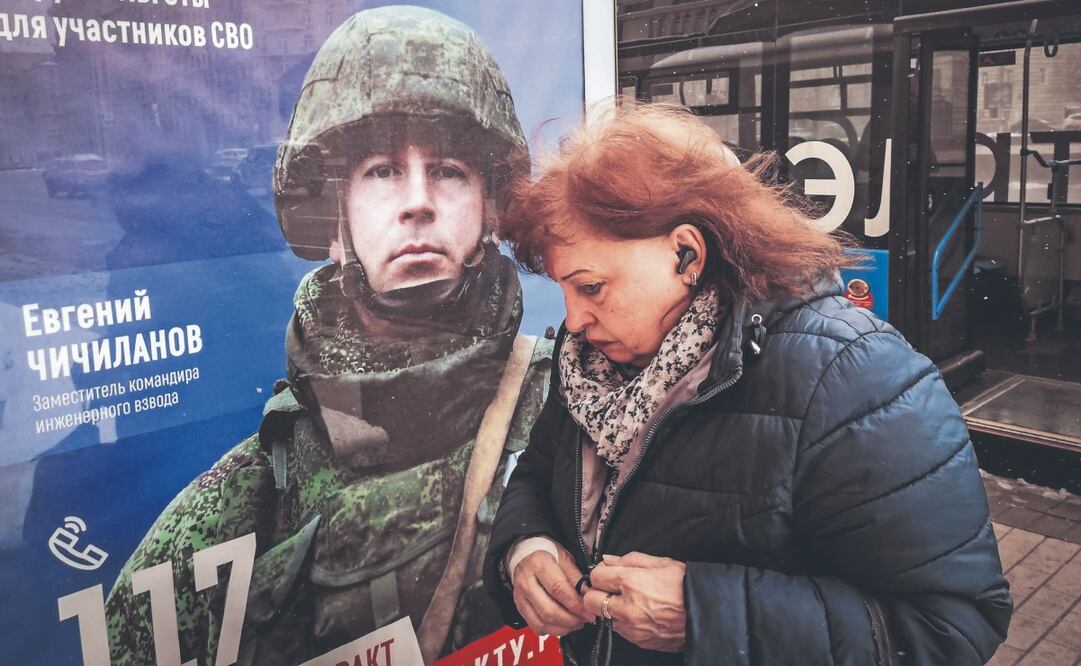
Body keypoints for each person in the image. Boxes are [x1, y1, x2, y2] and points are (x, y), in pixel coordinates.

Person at [483, 103, 1013, 666]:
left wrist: (707, 613)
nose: (575, 321)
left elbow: (952, 627)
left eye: (591, 287)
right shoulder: (592, 364)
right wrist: (525, 548)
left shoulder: (854, 378)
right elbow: (538, 475)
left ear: (686, 254)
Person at [105, 7, 552, 664]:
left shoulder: (568, 416)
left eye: (449, 170)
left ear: (490, 208)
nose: (418, 200)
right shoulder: (236, 507)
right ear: (334, 223)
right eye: (381, 171)